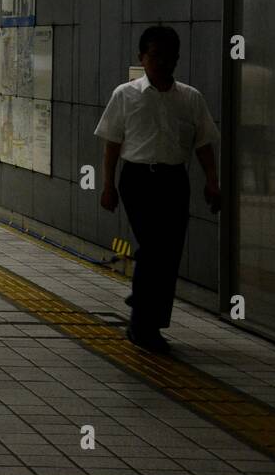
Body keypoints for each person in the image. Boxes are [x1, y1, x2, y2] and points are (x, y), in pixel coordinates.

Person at [95, 25, 221, 353]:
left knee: (169, 253)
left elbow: (204, 144)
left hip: (173, 181)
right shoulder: (125, 94)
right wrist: (108, 185)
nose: (161, 63)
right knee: (153, 247)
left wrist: (212, 182)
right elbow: (112, 143)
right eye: (154, 56)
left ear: (177, 59)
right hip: (137, 179)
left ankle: (150, 321)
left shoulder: (190, 98)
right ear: (142, 57)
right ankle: (142, 322)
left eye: (168, 57)